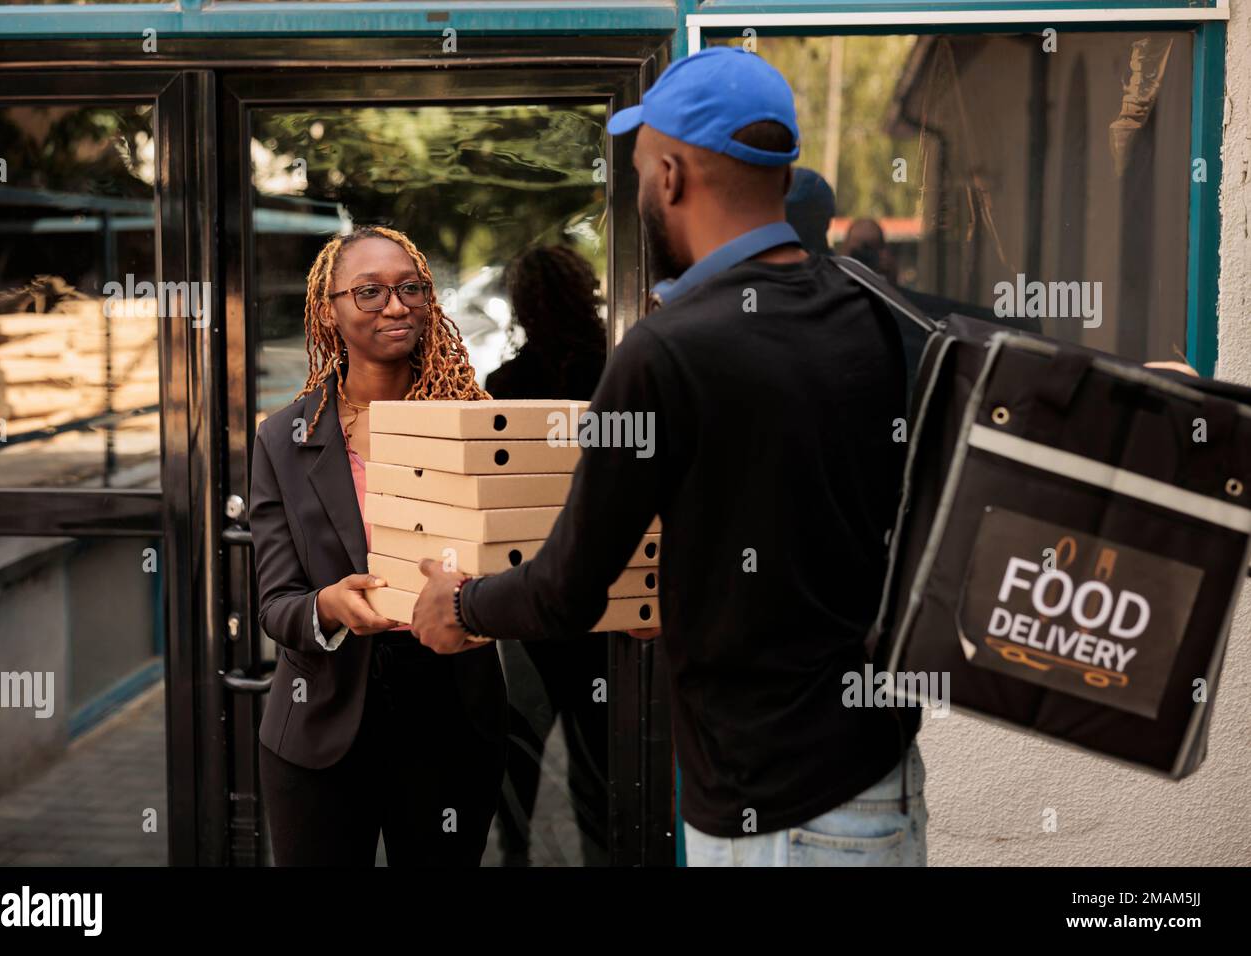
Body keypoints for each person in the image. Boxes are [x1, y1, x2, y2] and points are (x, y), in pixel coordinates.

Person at [410, 47, 927, 866]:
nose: (643, 184)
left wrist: (460, 606)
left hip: (776, 813)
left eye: (643, 163)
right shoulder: (869, 312)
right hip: (879, 778)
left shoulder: (668, 351)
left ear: (673, 177)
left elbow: (564, 591)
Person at [248, 225, 507, 866]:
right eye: (368, 293)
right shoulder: (284, 438)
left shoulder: (475, 426)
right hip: (320, 728)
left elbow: (520, 559)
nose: (395, 306)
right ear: (328, 310)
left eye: (409, 288)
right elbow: (276, 604)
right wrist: (330, 606)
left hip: (450, 717)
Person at [486, 245, 611, 866]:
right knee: (602, 768)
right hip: (604, 601)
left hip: (527, 599)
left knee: (520, 757)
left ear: (523, 308)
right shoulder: (616, 373)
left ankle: (513, 859)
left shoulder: (504, 389)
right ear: (585, 293)